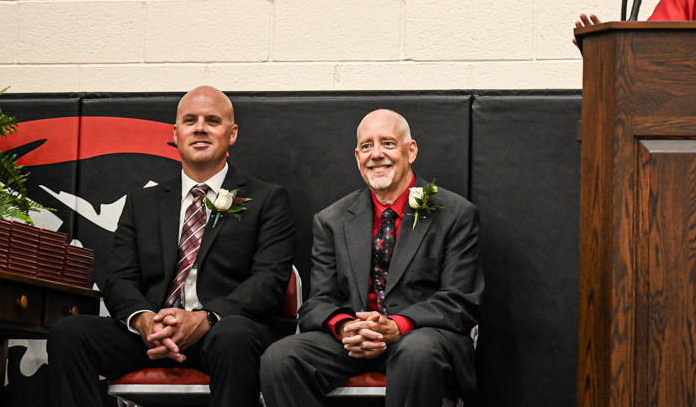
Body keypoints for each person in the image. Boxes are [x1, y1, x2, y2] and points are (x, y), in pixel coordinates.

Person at [47, 86, 295, 407]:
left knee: (235, 336)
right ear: (175, 133)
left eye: (212, 121)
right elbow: (119, 278)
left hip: (220, 332)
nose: (200, 128)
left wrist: (205, 318)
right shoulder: (142, 202)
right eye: (190, 120)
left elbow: (269, 282)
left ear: (231, 134)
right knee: (69, 334)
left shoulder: (267, 199)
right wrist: (144, 321)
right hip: (150, 335)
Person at [260, 109, 482, 407]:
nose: (376, 154)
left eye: (388, 143)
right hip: (350, 341)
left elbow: (460, 301)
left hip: (420, 337)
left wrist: (397, 325)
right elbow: (318, 302)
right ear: (357, 156)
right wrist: (344, 326)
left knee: (417, 352)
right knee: (279, 358)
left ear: (411, 150)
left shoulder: (455, 213)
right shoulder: (331, 220)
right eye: (367, 146)